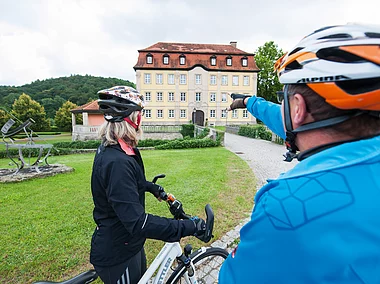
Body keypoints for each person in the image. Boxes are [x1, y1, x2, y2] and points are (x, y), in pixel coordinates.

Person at [219, 24, 380, 283]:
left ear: (297, 108)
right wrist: (250, 102)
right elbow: (288, 121)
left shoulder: (286, 207)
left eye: (286, 100)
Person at [90, 86, 207, 284]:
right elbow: (138, 223)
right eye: (139, 114)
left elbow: (128, 183)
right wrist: (189, 226)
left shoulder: (121, 149)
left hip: (129, 244)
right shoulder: (116, 162)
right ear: (133, 119)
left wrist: (151, 187)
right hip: (118, 252)